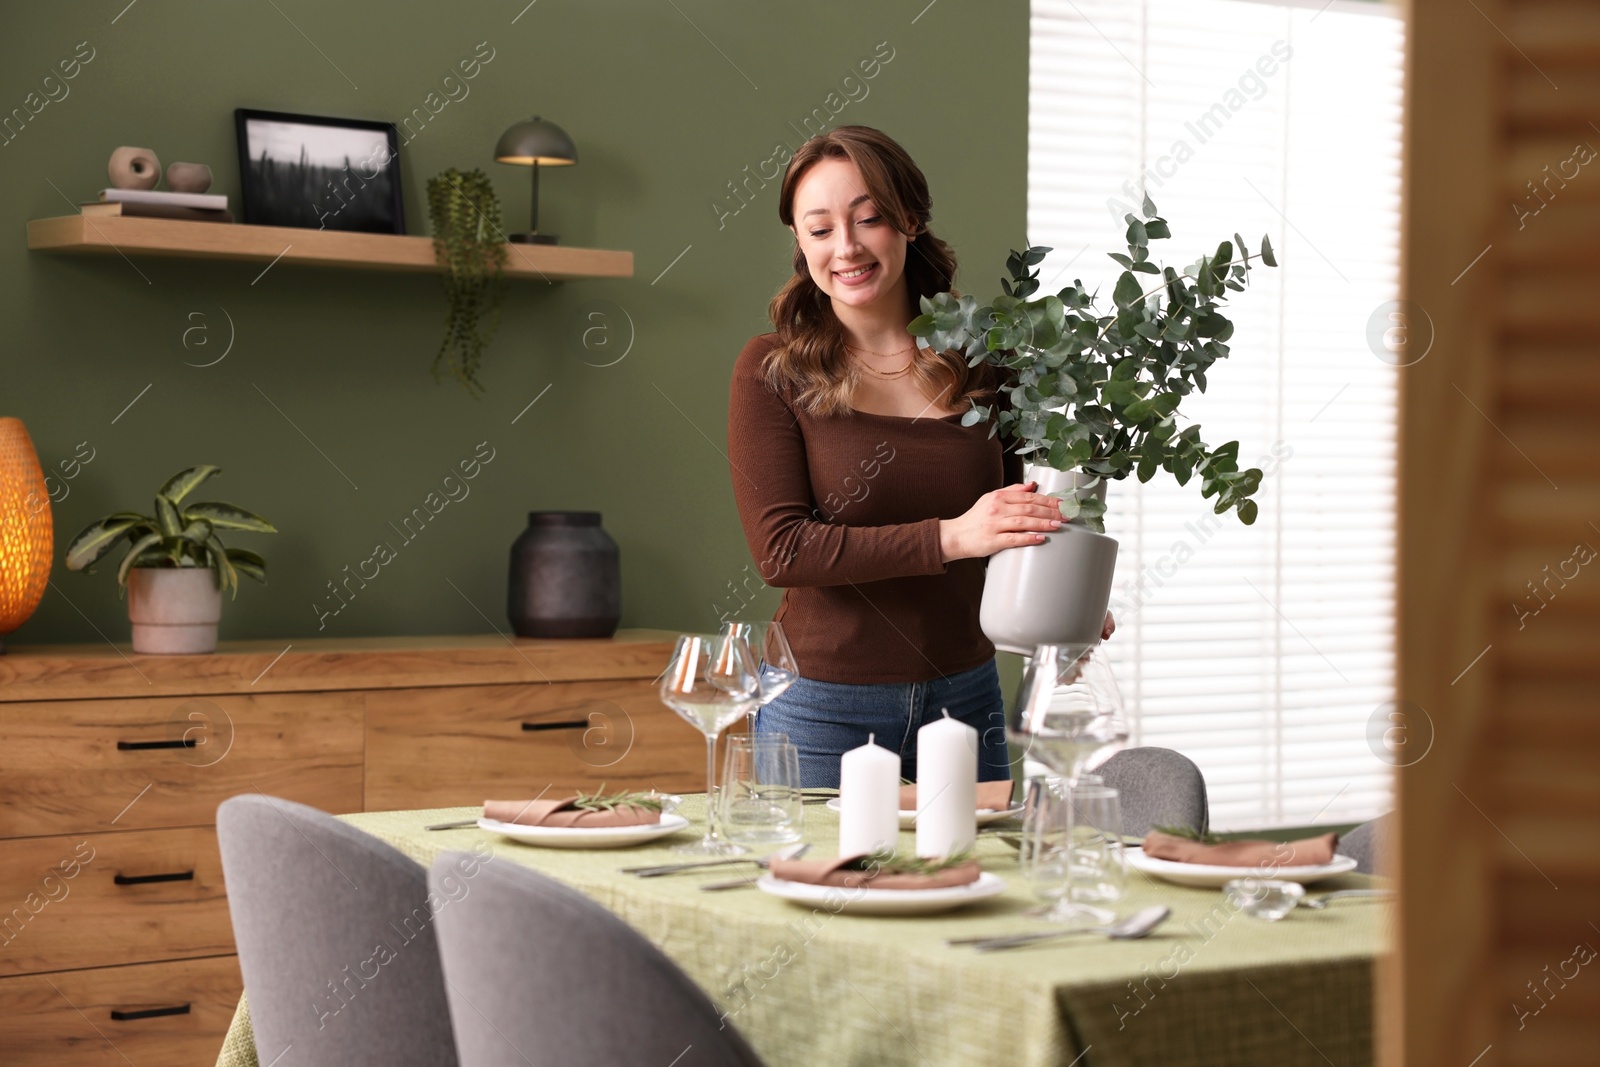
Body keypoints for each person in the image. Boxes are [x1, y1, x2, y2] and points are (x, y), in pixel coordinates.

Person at [726, 125, 1113, 789]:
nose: (845, 247)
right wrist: (953, 536)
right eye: (819, 229)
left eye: (868, 218)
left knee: (975, 888)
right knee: (827, 891)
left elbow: (1014, 518)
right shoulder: (773, 369)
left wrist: (1065, 596)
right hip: (823, 703)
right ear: (800, 242)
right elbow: (783, 551)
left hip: (966, 697)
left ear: (909, 218)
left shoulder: (989, 361)